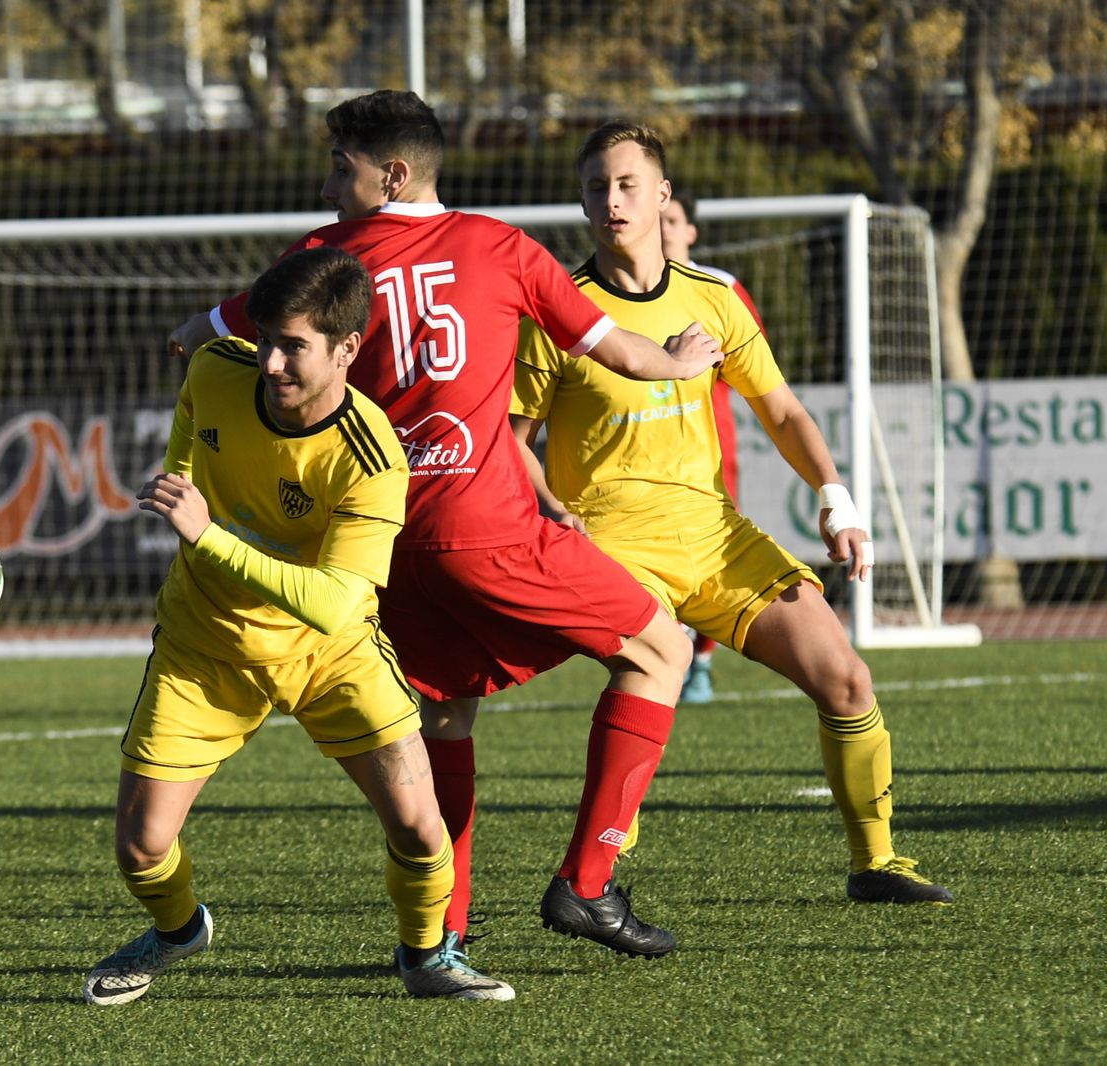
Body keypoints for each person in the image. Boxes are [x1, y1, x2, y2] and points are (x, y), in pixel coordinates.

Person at [168, 90, 723, 958]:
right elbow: (622, 352)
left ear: (392, 175)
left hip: (382, 542)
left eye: (340, 169)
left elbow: (197, 338)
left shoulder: (321, 262)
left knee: (444, 718)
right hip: (485, 527)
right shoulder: (500, 246)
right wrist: (682, 362)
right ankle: (587, 883)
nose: (328, 188)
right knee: (661, 649)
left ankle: (445, 932)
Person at [510, 121, 953, 904]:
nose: (611, 201)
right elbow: (510, 440)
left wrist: (836, 501)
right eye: (596, 187)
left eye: (627, 185)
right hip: (612, 546)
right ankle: (593, 871)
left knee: (846, 679)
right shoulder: (560, 312)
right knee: (650, 674)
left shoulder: (713, 299)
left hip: (714, 537)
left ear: (663, 196)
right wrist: (549, 511)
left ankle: (876, 862)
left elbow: (781, 410)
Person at [85, 246, 515, 1006]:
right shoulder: (216, 369)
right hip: (206, 646)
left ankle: (426, 957)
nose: (270, 362)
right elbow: (192, 421)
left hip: (331, 654)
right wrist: (180, 477)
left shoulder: (372, 458)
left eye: (293, 347)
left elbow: (330, 604)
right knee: (141, 848)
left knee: (421, 828)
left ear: (347, 348)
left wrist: (206, 534)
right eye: (264, 340)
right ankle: (179, 931)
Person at [657, 188, 767, 705]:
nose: (662, 228)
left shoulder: (720, 287)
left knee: (711, 552)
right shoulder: (614, 289)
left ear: (691, 231)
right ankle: (662, 655)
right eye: (657, 219)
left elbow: (754, 365)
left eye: (672, 220)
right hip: (642, 447)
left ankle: (700, 661)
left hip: (709, 441)